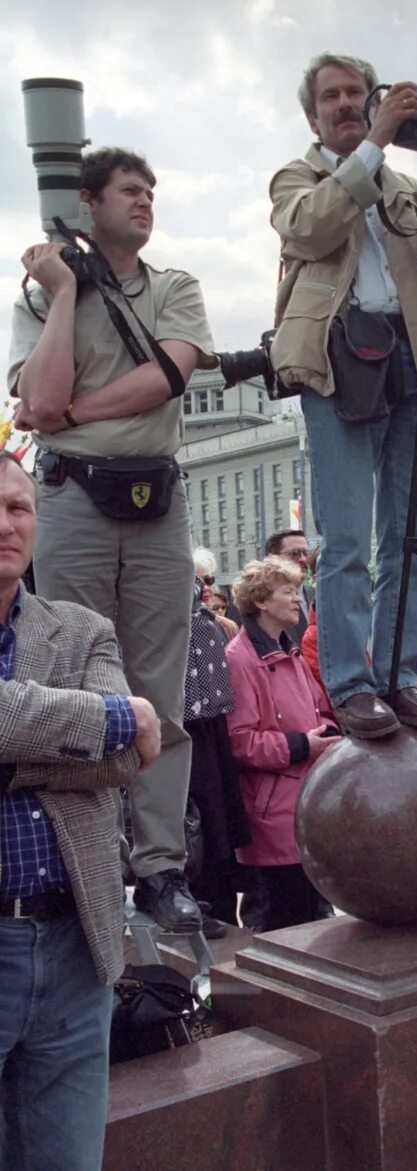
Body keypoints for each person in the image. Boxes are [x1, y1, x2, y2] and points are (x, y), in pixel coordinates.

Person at [9, 148, 216, 933]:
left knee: (162, 692)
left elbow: (170, 374)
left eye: (152, 191)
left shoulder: (175, 287)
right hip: (73, 501)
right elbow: (38, 397)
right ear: (87, 202)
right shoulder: (39, 293)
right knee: (75, 686)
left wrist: (71, 412)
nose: (146, 201)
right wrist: (63, 292)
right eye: (130, 190)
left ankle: (161, 870)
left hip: (156, 499)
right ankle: (92, 858)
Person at [269, 52, 417, 739]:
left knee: (412, 539)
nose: (344, 104)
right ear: (312, 114)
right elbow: (311, 225)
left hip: (409, 362)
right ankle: (350, 684)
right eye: (330, 97)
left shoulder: (397, 183)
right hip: (335, 368)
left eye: (356, 94)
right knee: (345, 544)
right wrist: (376, 141)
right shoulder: (297, 179)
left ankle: (398, 676)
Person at [0, 451, 160, 1171]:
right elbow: (120, 728)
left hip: (74, 949)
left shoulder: (83, 628)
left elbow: (128, 757)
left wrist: (17, 749)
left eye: (19, 507)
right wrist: (100, 723)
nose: (7, 523)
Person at [225, 556, 341, 931]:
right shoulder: (239, 660)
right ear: (260, 601)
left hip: (307, 812)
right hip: (272, 822)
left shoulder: (290, 653)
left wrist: (326, 733)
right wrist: (302, 746)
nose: (297, 598)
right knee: (276, 933)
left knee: (316, 927)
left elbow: (319, 709)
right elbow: (239, 742)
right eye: (288, 591)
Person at [183, 549, 250, 930]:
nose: (206, 588)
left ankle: (222, 909)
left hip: (215, 727)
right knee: (197, 828)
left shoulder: (215, 624)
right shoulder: (175, 618)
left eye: (209, 580)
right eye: (199, 581)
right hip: (186, 729)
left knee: (219, 826)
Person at [265, 529, 314, 647]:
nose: (303, 559)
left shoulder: (317, 596)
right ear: (273, 558)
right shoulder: (259, 600)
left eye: (305, 553)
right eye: (294, 554)